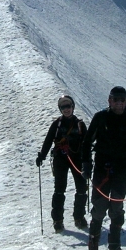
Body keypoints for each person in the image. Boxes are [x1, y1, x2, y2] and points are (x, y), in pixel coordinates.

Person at [81, 86, 126, 250]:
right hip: (102, 169)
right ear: (109, 101)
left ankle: (115, 245)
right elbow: (87, 142)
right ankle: (94, 237)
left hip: (122, 171)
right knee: (100, 207)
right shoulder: (100, 118)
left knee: (116, 207)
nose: (119, 103)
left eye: (122, 100)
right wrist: (86, 165)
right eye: (116, 99)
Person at [36, 95, 89, 233]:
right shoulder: (57, 124)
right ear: (60, 109)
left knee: (81, 188)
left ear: (72, 107)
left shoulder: (80, 124)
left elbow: (87, 144)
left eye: (68, 106)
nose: (66, 109)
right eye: (63, 107)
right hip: (61, 159)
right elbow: (48, 140)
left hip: (76, 159)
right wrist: (42, 155)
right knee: (60, 189)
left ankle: (78, 217)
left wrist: (88, 161)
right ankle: (59, 220)